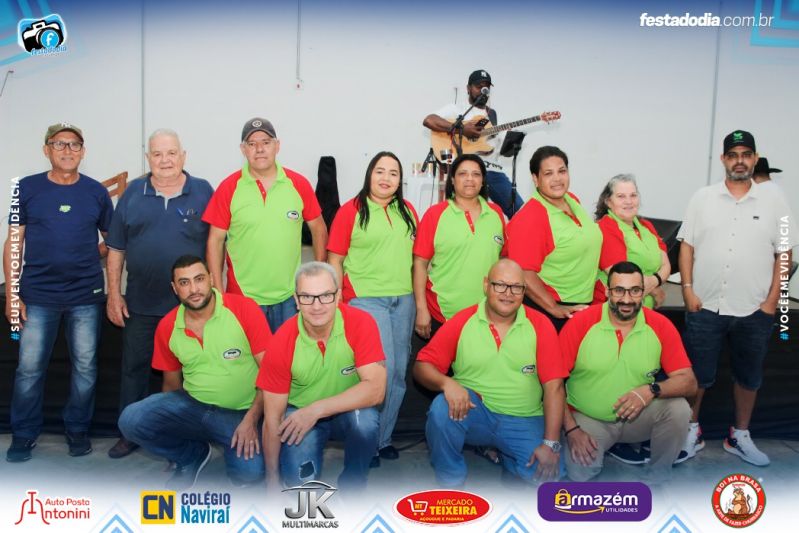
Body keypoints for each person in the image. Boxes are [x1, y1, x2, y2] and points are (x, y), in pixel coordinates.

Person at [678, 130, 796, 466]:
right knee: (697, 375)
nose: (739, 161)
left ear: (754, 159)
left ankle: (739, 435)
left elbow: (784, 252)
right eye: (733, 155)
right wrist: (688, 290)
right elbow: (687, 246)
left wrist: (772, 301)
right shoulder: (702, 198)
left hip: (754, 310)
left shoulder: (775, 201)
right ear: (723, 160)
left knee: (749, 377)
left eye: (746, 154)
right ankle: (691, 431)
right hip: (705, 305)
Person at [5, 123, 113, 462]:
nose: (67, 150)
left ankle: (77, 430)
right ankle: (23, 435)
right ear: (46, 150)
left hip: (85, 296)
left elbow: (112, 240)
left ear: (83, 151)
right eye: (59, 144)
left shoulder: (96, 192)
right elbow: (14, 241)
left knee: (85, 368)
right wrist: (13, 294)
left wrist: (89, 254)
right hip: (38, 296)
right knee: (29, 370)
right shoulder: (26, 188)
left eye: (74, 144)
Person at [105, 129, 214, 459]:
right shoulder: (132, 194)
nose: (165, 160)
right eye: (157, 154)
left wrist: (217, 293)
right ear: (147, 158)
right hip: (141, 303)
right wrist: (114, 294)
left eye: (171, 153)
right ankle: (129, 432)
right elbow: (116, 249)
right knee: (134, 369)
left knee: (193, 371)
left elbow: (217, 246)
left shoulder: (203, 191)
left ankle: (185, 436)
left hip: (192, 307)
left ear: (183, 156)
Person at [118, 255, 270, 489]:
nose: (193, 289)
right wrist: (174, 431)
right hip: (194, 406)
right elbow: (171, 385)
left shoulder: (243, 309)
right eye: (184, 282)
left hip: (240, 414)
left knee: (249, 474)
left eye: (199, 279)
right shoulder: (168, 326)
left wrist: (251, 420)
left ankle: (231, 442)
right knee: (131, 419)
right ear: (175, 288)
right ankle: (191, 455)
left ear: (211, 279)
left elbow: (270, 375)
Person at [413, 259, 566, 487]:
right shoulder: (463, 320)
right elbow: (421, 366)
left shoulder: (540, 325)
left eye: (516, 287)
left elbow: (555, 387)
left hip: (522, 418)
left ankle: (506, 456)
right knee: (441, 410)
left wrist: (551, 444)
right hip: (475, 414)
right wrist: (447, 383)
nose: (508, 293)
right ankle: (451, 482)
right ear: (486, 285)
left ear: (524, 291)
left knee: (551, 480)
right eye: (500, 285)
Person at [559, 261, 696, 483]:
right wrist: (572, 431)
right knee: (580, 474)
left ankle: (658, 477)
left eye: (634, 291)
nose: (627, 299)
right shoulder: (582, 323)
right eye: (619, 290)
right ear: (607, 292)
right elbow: (552, 383)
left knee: (679, 409)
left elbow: (689, 382)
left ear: (643, 292)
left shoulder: (660, 325)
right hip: (588, 418)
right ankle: (605, 446)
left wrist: (651, 390)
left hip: (636, 418)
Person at [258, 262, 387, 492]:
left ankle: (353, 486)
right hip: (300, 413)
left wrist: (317, 409)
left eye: (325, 295)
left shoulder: (360, 322)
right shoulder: (282, 341)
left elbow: (376, 391)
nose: (317, 306)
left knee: (366, 423)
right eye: (307, 297)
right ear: (296, 301)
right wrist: (272, 482)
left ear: (338, 296)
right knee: (300, 483)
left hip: (346, 410)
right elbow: (272, 418)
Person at [327, 151, 418, 467]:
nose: (386, 178)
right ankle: (366, 442)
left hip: (403, 300)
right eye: (380, 171)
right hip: (366, 300)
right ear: (369, 175)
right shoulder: (351, 210)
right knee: (379, 373)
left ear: (400, 180)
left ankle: (383, 440)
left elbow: (417, 259)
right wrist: (337, 301)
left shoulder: (408, 211)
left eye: (393, 173)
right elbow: (335, 259)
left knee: (398, 374)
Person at [203, 118, 328, 332]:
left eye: (266, 142)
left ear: (277, 146)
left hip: (290, 296)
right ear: (243, 149)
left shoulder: (298, 184)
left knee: (287, 353)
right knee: (248, 354)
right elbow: (215, 240)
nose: (259, 149)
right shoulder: (228, 188)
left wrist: (317, 279)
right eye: (252, 144)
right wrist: (218, 292)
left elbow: (319, 229)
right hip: (243, 296)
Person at [505, 146, 602, 331]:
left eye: (562, 171)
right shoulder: (531, 216)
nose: (557, 178)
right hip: (551, 312)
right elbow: (523, 272)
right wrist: (554, 308)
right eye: (548, 173)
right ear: (536, 179)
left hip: (581, 305)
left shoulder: (572, 200)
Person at [413, 154, 506, 339]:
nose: (470, 179)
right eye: (463, 174)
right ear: (452, 180)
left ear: (483, 181)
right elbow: (419, 264)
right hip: (442, 314)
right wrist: (421, 309)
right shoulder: (435, 215)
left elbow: (503, 260)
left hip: (486, 315)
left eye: (476, 174)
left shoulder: (496, 214)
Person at [423, 69, 524, 219]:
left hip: (491, 171)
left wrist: (512, 142)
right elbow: (429, 120)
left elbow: (505, 153)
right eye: (479, 87)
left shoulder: (494, 116)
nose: (483, 91)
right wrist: (461, 129)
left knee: (520, 212)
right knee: (464, 216)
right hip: (465, 171)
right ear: (468, 88)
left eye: (486, 87)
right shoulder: (456, 109)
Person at [594, 174, 670, 309]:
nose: (628, 201)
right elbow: (622, 276)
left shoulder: (647, 226)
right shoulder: (605, 227)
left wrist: (654, 281)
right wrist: (655, 290)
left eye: (633, 195)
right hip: (614, 309)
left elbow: (665, 265)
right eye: (621, 196)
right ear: (608, 201)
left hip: (644, 309)